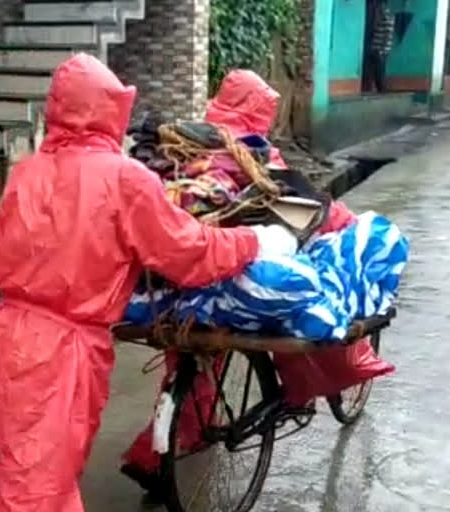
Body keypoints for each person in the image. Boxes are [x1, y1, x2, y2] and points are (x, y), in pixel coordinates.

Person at [0, 54, 297, 512]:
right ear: (109, 110)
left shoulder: (27, 171)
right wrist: (253, 243)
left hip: (4, 336)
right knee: (37, 493)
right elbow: (189, 252)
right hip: (60, 353)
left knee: (28, 475)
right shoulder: (123, 179)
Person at [120, 70, 357, 503]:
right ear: (261, 109)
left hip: (176, 287)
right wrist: (348, 225)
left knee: (189, 368)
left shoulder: (194, 141)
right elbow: (309, 204)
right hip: (225, 272)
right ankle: (288, 398)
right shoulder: (253, 152)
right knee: (280, 318)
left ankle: (155, 458)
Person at [363, 0, 395, 93]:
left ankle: (381, 90)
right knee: (375, 70)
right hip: (377, 49)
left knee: (379, 72)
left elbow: (387, 35)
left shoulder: (387, 17)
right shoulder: (383, 16)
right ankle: (375, 89)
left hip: (380, 50)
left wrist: (381, 50)